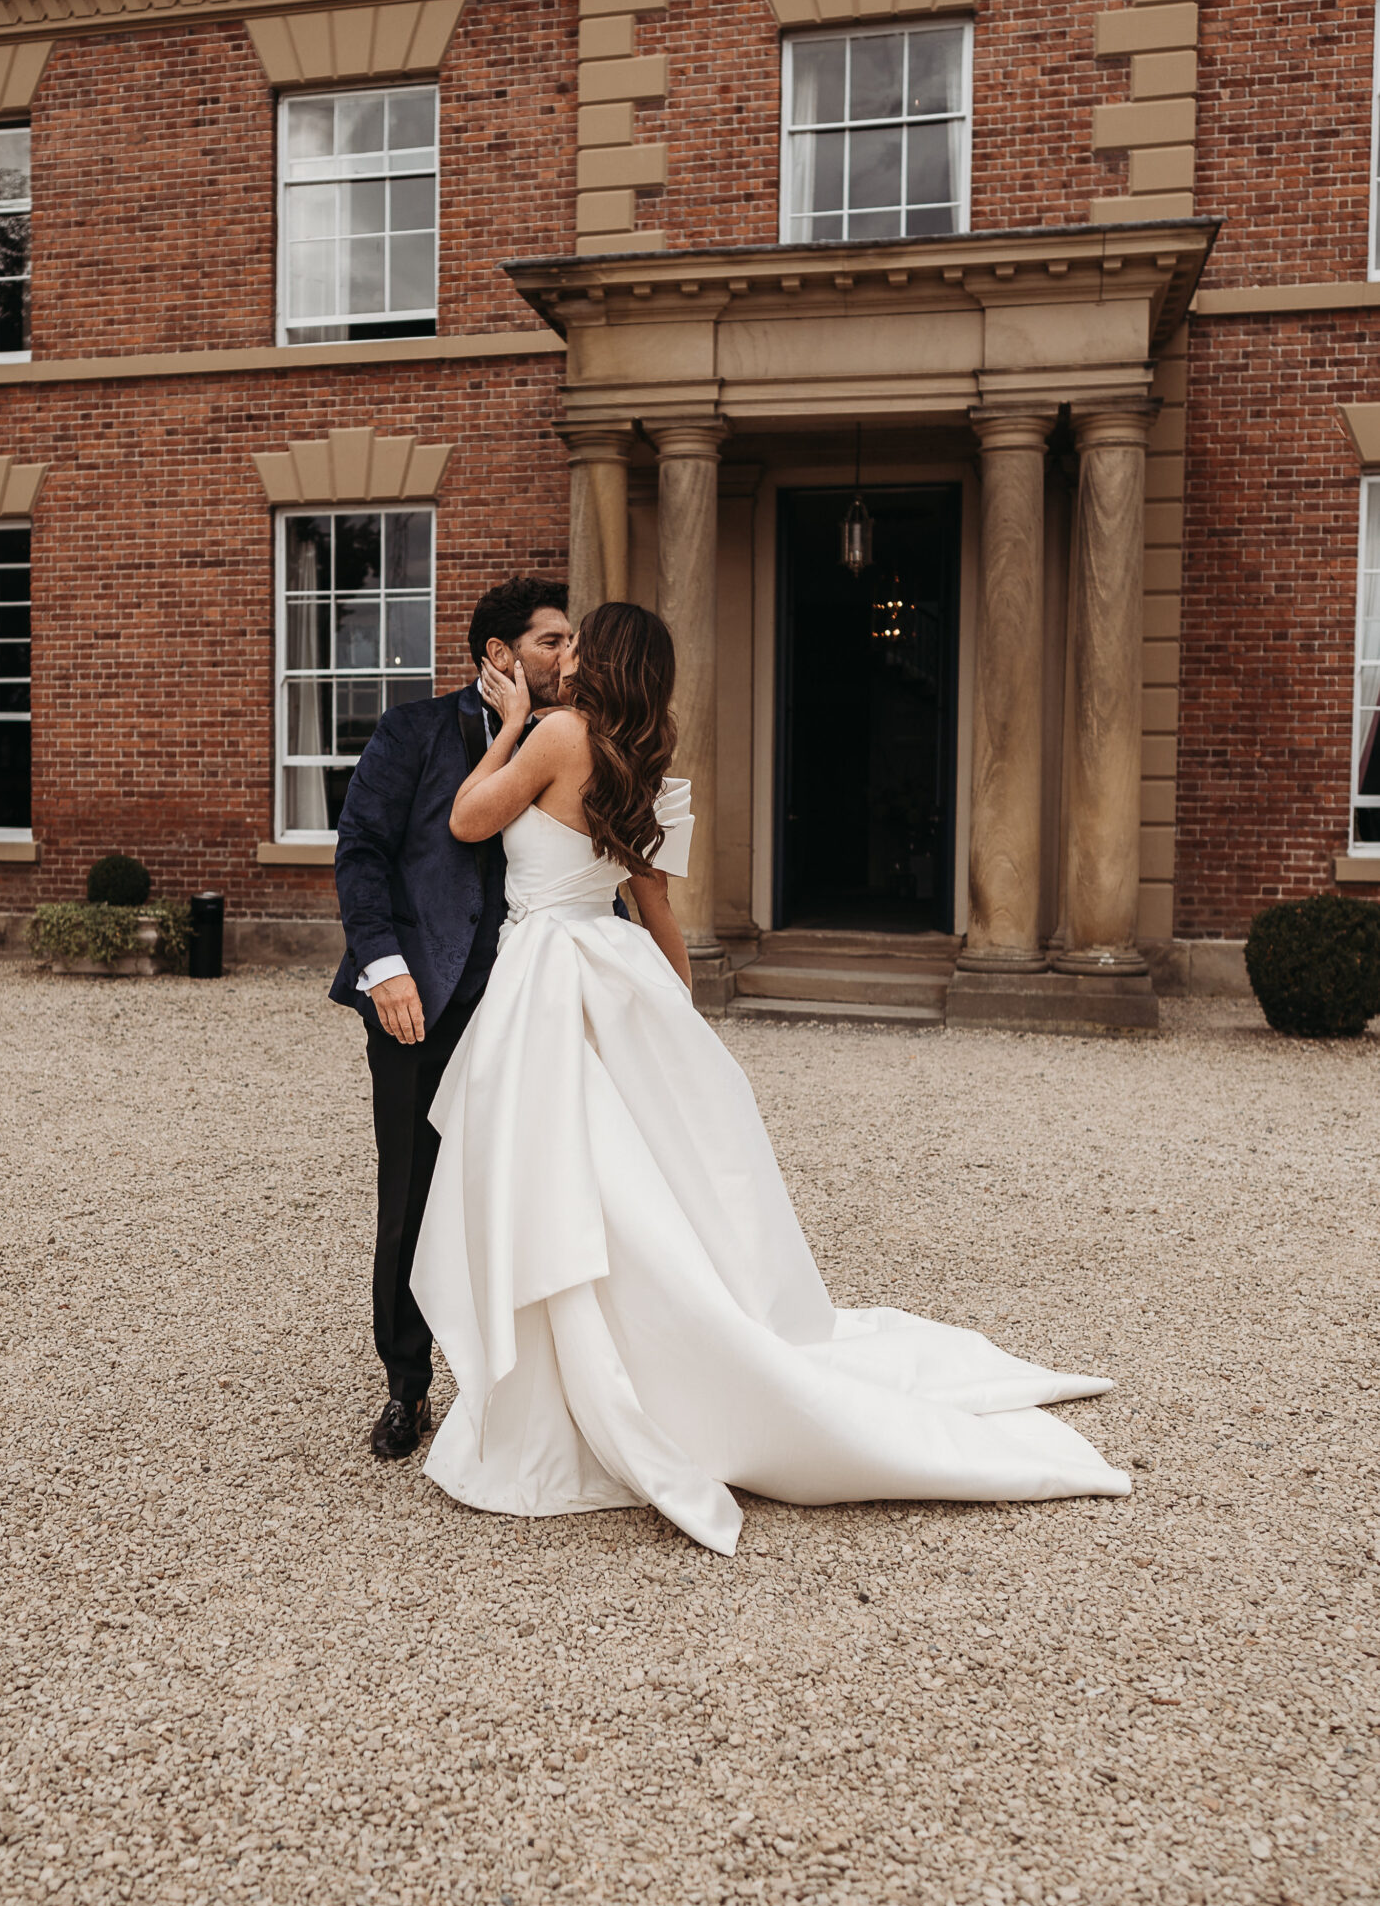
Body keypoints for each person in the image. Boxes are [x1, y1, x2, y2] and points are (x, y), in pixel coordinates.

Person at [409, 600, 1130, 1555]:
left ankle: (577, 1387)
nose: (566, 652)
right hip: (608, 968)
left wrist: (505, 726)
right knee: (625, 1176)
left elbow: (466, 820)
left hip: (546, 976)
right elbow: (653, 898)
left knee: (562, 1176)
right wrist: (680, 1004)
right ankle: (638, 1350)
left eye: (580, 641)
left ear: (604, 663)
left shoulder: (556, 734)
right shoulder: (635, 755)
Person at [331, 575, 573, 1464]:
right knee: (414, 1192)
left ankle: (525, 1381)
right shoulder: (412, 732)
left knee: (538, 1190)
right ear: (500, 656)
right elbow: (359, 855)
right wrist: (384, 968)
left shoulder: (578, 742)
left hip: (530, 1005)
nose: (569, 657)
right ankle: (407, 1385)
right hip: (418, 1007)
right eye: (553, 642)